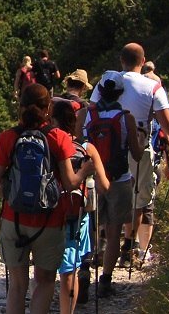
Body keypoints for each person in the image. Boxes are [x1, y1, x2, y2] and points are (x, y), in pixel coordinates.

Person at [89, 43, 169, 296]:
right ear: (143, 60)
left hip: (101, 151)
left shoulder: (106, 82)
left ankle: (96, 250)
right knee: (138, 197)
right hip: (138, 148)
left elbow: (91, 112)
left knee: (99, 200)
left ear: (120, 59)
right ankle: (128, 245)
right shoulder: (153, 86)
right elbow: (167, 125)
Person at [0, 84, 84, 314]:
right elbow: (70, 183)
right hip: (49, 221)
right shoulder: (58, 137)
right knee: (45, 281)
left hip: (14, 219)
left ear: (20, 107)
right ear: (48, 107)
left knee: (17, 286)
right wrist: (86, 171)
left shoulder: (8, 137)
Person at [84, 76, 144, 299]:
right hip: (119, 180)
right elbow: (136, 155)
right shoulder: (125, 118)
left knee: (88, 229)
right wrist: (141, 138)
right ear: (120, 93)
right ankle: (106, 281)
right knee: (113, 231)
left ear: (99, 90)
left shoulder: (87, 114)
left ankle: (83, 270)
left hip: (91, 180)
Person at [53, 98, 109, 314]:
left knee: (46, 272)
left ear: (54, 120)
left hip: (48, 216)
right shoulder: (87, 148)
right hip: (75, 217)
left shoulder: (49, 143)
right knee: (69, 272)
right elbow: (104, 186)